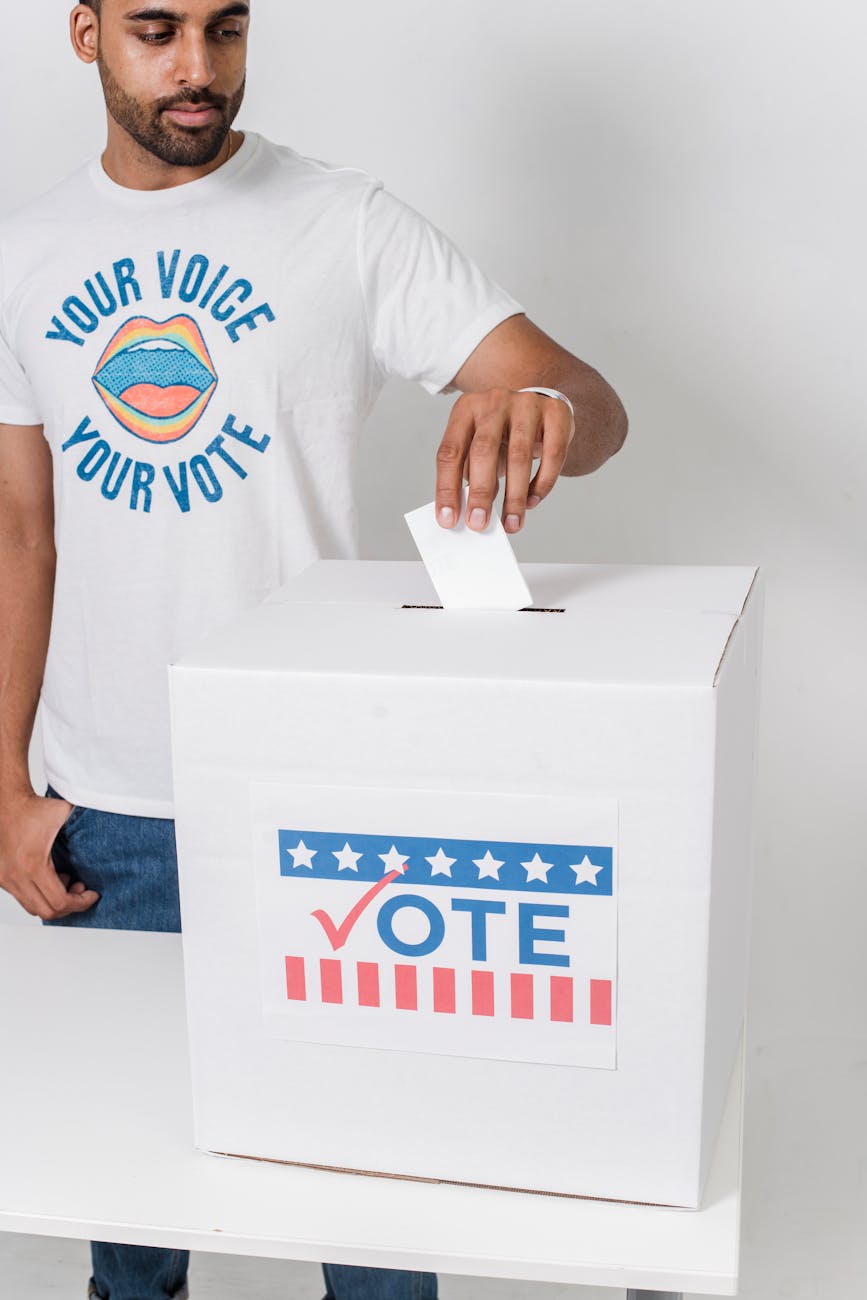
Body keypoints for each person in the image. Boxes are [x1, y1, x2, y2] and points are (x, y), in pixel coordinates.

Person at [0, 3, 629, 1298]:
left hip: (323, 795)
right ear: (83, 35)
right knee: (133, 1227)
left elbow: (596, 403)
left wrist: (544, 406)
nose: (196, 70)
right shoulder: (21, 252)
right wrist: (5, 785)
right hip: (110, 806)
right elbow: (21, 535)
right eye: (157, 30)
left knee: (374, 1214)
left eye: (225, 31)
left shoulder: (346, 224)